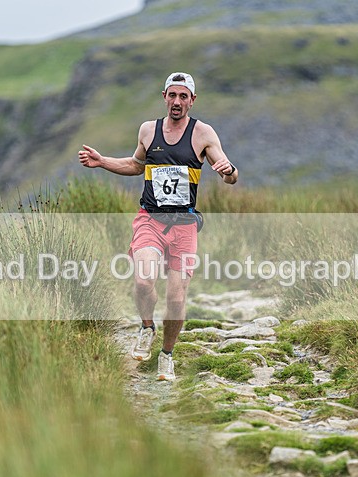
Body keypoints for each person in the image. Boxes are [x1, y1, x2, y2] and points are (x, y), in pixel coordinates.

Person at [78, 72, 238, 381]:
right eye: (172, 95)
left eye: (183, 96)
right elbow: (136, 165)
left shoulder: (203, 134)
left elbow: (229, 174)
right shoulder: (148, 131)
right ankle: (147, 326)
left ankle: (167, 355)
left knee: (176, 297)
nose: (177, 102)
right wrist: (102, 161)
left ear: (192, 100)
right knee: (143, 280)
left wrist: (228, 171)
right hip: (149, 219)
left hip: (184, 225)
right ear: (164, 96)